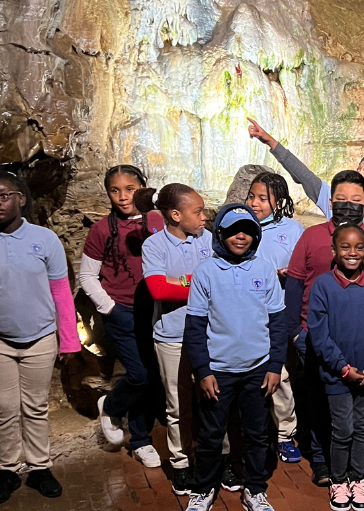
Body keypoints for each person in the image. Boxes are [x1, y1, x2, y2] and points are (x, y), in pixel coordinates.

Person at [0, 169, 81, 505]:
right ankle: (8, 470)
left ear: (21, 199)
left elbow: (61, 294)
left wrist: (68, 338)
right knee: (3, 407)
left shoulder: (45, 239)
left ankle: (40, 467)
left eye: (4, 195)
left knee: (35, 407)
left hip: (40, 337)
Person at [182, 204, 287, 511]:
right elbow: (196, 327)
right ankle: (203, 489)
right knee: (212, 434)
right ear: (220, 235)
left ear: (256, 235)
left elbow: (277, 323)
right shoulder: (206, 273)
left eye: (248, 232)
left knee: (256, 434)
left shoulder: (264, 270)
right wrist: (203, 370)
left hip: (258, 369)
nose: (241, 237)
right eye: (233, 232)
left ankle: (255, 489)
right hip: (219, 371)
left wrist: (275, 366)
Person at [284, 171, 364, 486]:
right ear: (330, 202)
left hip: (361, 339)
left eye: (356, 201)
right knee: (317, 400)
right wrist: (295, 332)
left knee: (362, 402)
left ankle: (363, 457)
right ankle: (321, 460)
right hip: (313, 336)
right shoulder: (311, 236)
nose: (348, 205)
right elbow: (294, 283)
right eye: (341, 200)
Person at [136, 183, 220, 495]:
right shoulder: (154, 246)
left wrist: (181, 281)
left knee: (212, 398)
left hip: (209, 335)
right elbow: (159, 289)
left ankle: (212, 456)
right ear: (174, 215)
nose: (203, 217)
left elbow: (216, 281)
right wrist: (195, 282)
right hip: (172, 336)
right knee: (178, 403)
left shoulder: (208, 240)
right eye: (197, 211)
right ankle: (182, 461)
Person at [308, 224, 364, 511]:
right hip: (338, 376)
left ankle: (358, 480)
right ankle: (338, 480)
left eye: (359, 247)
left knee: (362, 428)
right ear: (334, 250)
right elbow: (319, 335)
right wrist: (343, 368)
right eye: (345, 247)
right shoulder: (323, 286)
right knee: (342, 428)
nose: (352, 253)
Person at [81, 165, 165, 467]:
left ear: (143, 188)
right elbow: (87, 275)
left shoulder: (160, 222)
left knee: (153, 376)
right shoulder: (101, 230)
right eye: (115, 190)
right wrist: (110, 308)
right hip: (123, 312)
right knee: (139, 375)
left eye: (129, 189)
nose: (122, 196)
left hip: (158, 310)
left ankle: (141, 437)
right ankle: (113, 407)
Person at [247, 118, 364, 236]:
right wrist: (271, 142)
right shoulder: (336, 199)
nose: (359, 173)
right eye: (359, 169)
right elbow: (304, 176)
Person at [246, 171, 305, 464]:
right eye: (251, 197)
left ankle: (284, 433)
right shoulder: (240, 227)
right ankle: (255, 432)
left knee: (281, 375)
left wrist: (289, 274)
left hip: (279, 313)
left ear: (278, 201)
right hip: (247, 314)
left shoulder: (293, 229)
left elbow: (304, 266)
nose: (254, 204)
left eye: (262, 198)